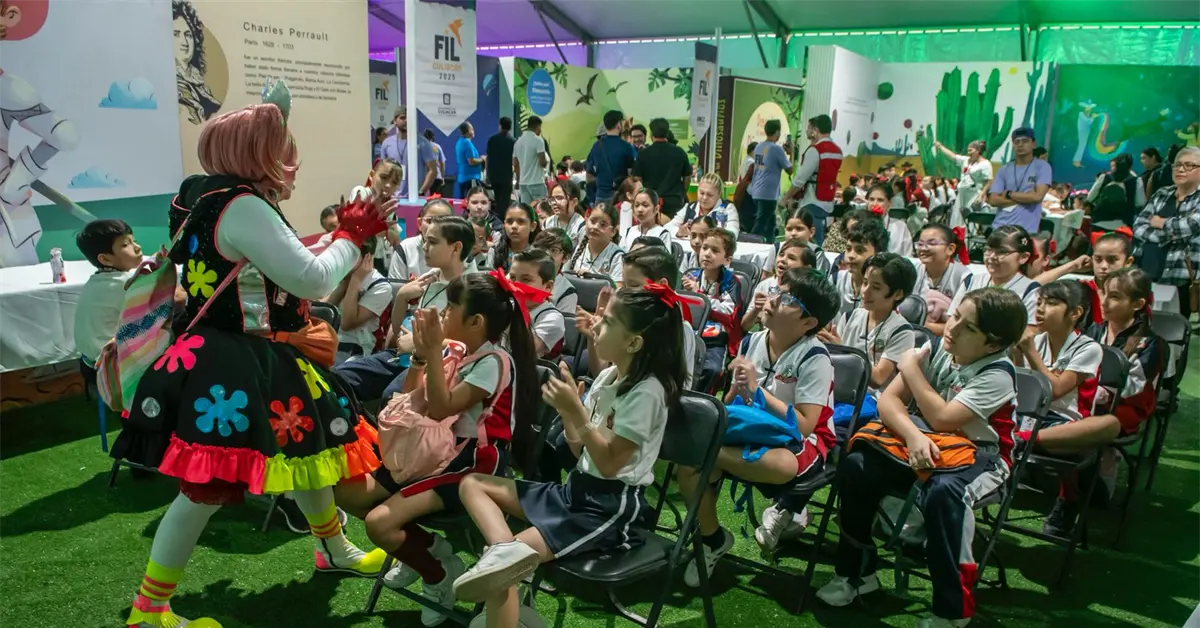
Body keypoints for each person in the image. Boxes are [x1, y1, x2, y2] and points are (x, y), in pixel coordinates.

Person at [113, 83, 391, 628]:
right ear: (261, 153)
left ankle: (332, 550)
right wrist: (351, 238)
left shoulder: (205, 198)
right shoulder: (241, 205)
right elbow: (308, 278)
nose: (292, 158)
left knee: (310, 453)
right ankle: (149, 609)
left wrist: (337, 239)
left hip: (239, 358)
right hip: (237, 366)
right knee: (204, 490)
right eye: (283, 144)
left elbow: (273, 266)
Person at [450, 286, 685, 628]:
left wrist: (577, 411)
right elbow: (578, 451)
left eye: (607, 321)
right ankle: (505, 555)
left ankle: (505, 569)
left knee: (497, 573)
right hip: (574, 492)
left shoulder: (648, 392)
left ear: (634, 343)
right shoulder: (607, 375)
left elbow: (609, 463)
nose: (594, 325)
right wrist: (571, 414)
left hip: (609, 506)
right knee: (472, 484)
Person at [336, 271, 541, 626]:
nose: (442, 315)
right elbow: (409, 396)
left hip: (468, 466)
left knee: (379, 524)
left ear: (475, 322)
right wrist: (420, 357)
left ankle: (436, 573)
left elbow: (443, 407)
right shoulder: (457, 351)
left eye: (449, 310)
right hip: (430, 451)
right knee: (347, 493)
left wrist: (432, 351)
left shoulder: (493, 362)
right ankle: (430, 553)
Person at [817, 287, 1026, 628]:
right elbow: (887, 403)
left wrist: (910, 368)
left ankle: (951, 610)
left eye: (968, 327)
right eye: (956, 315)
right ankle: (856, 574)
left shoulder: (998, 373)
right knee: (856, 465)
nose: (953, 328)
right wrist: (913, 435)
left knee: (947, 494)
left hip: (981, 458)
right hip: (924, 442)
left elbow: (944, 417)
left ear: (993, 344)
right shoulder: (942, 348)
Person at [679, 268, 841, 570]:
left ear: (809, 322)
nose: (773, 299)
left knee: (777, 465)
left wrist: (758, 391)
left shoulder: (815, 358)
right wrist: (736, 391)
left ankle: (715, 461)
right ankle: (713, 538)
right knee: (689, 464)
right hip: (753, 432)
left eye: (789, 298)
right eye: (779, 290)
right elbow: (732, 406)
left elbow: (805, 425)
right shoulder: (751, 342)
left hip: (800, 442)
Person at [1022, 268, 1161, 535]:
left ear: (1138, 304)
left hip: (1119, 408)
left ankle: (1035, 451)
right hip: (1076, 404)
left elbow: (1136, 390)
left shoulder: (1149, 342)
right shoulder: (1093, 330)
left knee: (1105, 424)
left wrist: (1095, 391)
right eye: (1104, 294)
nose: (1105, 302)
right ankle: (1073, 480)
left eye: (1115, 297)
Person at [335, 215, 475, 403]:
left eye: (432, 242)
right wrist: (401, 297)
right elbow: (396, 328)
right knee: (340, 377)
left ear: (456, 248)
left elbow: (469, 348)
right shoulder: (429, 278)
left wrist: (421, 344)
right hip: (406, 355)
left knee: (392, 398)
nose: (424, 247)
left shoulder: (474, 289)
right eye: (424, 240)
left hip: (439, 365)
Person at [577, 246, 696, 390]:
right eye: (624, 284)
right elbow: (602, 374)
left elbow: (673, 392)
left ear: (661, 285)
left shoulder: (678, 329)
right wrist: (593, 337)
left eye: (634, 285)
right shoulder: (626, 321)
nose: (624, 291)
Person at [820, 252, 917, 391]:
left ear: (898, 294)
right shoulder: (849, 317)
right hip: (841, 390)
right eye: (865, 282)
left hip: (873, 402)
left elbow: (878, 379)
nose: (865, 291)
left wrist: (845, 351)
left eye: (876, 287)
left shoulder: (902, 332)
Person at [1132, 146, 1200, 319]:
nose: (1181, 169)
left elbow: (1190, 225)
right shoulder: (1162, 194)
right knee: (1142, 326)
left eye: (1189, 165)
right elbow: (1139, 226)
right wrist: (1172, 233)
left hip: (1182, 277)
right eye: (1177, 165)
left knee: (1175, 331)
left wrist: (1160, 222)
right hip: (1149, 273)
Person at [73, 219, 150, 365]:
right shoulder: (125, 283)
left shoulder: (94, 281)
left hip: (87, 360)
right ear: (105, 259)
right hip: (110, 365)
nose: (138, 247)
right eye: (125, 244)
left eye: (134, 241)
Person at [948, 225, 1040, 330]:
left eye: (1002, 252)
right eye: (988, 250)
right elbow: (952, 318)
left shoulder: (1030, 291)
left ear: (1023, 257)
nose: (992, 257)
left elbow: (1028, 333)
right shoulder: (972, 281)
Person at [683, 228, 740, 392]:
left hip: (715, 339)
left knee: (712, 370)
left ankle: (702, 402)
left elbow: (729, 314)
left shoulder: (731, 281)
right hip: (690, 333)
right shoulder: (691, 275)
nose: (707, 254)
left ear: (728, 259)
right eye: (705, 247)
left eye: (715, 250)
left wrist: (699, 295)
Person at [779, 115, 843, 243]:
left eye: (809, 128)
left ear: (815, 130)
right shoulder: (838, 151)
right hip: (827, 201)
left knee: (811, 241)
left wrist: (786, 198)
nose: (807, 131)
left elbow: (800, 179)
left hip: (812, 201)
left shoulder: (815, 151)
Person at [328, 239, 394, 363]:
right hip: (329, 339)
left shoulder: (381, 286)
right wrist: (343, 284)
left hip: (355, 347)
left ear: (366, 257)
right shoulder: (341, 275)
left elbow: (347, 323)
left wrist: (356, 281)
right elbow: (326, 312)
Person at [986, 127, 1053, 234]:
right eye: (1017, 142)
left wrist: (1008, 193)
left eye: (1025, 141)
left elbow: (1037, 197)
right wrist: (1026, 197)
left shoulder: (1042, 167)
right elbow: (993, 200)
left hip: (1025, 231)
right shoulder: (1004, 169)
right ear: (1013, 145)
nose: (1020, 145)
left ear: (1033, 143)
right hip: (999, 227)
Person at [742, 238, 817, 331]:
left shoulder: (811, 292)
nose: (783, 260)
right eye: (781, 255)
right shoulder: (765, 285)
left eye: (791, 258)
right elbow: (744, 327)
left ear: (806, 268)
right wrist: (756, 310)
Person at [913, 223, 970, 335]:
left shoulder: (964, 277)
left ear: (950, 249)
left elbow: (963, 323)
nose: (923, 249)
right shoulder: (912, 271)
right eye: (920, 244)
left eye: (931, 243)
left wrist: (922, 325)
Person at [509, 249, 566, 358]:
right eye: (512, 278)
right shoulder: (507, 304)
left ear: (548, 287)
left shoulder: (552, 317)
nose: (516, 285)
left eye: (526, 279)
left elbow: (524, 351)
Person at [350, 160, 404, 275]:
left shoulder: (390, 207)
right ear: (371, 175)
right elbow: (358, 224)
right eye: (384, 178)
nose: (388, 185)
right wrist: (385, 231)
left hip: (379, 259)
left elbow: (395, 238)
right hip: (356, 256)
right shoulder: (361, 192)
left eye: (394, 182)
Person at [632, 117, 693, 219]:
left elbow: (637, 179)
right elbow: (687, 176)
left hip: (650, 202)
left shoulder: (643, 154)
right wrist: (682, 192)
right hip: (675, 201)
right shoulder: (679, 152)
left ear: (652, 134)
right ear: (667, 132)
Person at [929, 136, 993, 228]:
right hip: (962, 193)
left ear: (978, 151)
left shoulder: (985, 164)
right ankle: (956, 236)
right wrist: (940, 147)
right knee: (957, 216)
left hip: (974, 194)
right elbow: (952, 156)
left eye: (970, 150)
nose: (968, 152)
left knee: (970, 218)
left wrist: (982, 194)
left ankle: (968, 238)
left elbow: (989, 180)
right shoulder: (965, 160)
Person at [748, 119, 794, 240]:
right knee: (761, 224)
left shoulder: (758, 147)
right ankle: (748, 243)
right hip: (768, 193)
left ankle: (769, 246)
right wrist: (792, 153)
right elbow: (790, 169)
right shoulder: (776, 149)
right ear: (777, 132)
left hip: (756, 190)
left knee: (771, 224)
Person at [389, 198, 455, 280]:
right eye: (430, 221)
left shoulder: (458, 249)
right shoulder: (405, 248)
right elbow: (395, 288)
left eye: (444, 222)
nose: (436, 227)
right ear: (420, 224)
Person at [834, 217, 889, 315]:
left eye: (859, 250)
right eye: (848, 248)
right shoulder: (835, 279)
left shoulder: (884, 290)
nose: (850, 255)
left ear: (879, 254)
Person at [380, 107, 438, 198]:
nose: (406, 120)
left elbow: (433, 170)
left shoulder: (422, 142)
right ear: (395, 121)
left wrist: (421, 192)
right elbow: (383, 170)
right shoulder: (387, 143)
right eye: (402, 118)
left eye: (409, 117)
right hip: (392, 197)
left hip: (415, 199)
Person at [565, 204, 624, 285]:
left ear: (613, 231)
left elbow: (618, 288)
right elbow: (565, 277)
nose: (595, 227)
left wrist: (593, 280)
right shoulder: (578, 248)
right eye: (592, 221)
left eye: (602, 224)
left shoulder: (617, 256)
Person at [586, 110, 637, 205]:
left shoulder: (596, 145)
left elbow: (589, 173)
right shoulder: (626, 146)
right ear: (618, 124)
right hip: (619, 197)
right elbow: (630, 173)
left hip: (600, 196)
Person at [669, 172, 740, 238]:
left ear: (719, 194)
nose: (705, 198)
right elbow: (667, 227)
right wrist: (678, 232)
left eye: (710, 195)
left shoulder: (728, 208)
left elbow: (733, 233)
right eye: (702, 193)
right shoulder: (690, 207)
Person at [1088, 153, 1146, 226]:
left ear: (1115, 164)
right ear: (1130, 166)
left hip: (1099, 222)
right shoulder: (1136, 181)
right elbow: (1141, 203)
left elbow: (1090, 198)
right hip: (1123, 226)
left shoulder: (1105, 177)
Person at [532, 228, 577, 314]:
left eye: (554, 250)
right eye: (541, 248)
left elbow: (563, 325)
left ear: (565, 258)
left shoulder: (567, 292)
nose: (546, 254)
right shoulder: (522, 275)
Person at [780, 206, 831, 275]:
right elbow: (766, 276)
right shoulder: (777, 248)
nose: (793, 233)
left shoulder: (816, 252)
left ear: (812, 232)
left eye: (799, 229)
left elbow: (818, 281)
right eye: (789, 229)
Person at [491, 202, 540, 273]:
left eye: (521, 222)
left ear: (533, 226)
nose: (514, 226)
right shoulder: (494, 252)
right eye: (509, 222)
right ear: (504, 225)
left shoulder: (540, 256)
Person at [864, 183, 912, 255]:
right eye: (871, 199)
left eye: (880, 200)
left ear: (889, 203)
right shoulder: (859, 223)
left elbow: (908, 256)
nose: (874, 204)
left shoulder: (900, 227)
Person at [513, 116, 549, 204]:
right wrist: (546, 162)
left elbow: (515, 164)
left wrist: (518, 181)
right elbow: (542, 162)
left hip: (523, 183)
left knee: (527, 210)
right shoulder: (538, 140)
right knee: (541, 208)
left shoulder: (518, 142)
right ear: (537, 126)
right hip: (536, 182)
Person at [487, 117, 516, 219]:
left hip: (494, 175)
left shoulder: (492, 140)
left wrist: (487, 175)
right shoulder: (513, 141)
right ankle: (502, 220)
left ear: (500, 125)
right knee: (505, 201)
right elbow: (514, 161)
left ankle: (496, 219)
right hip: (507, 176)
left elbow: (488, 159)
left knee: (496, 199)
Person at [542, 179, 586, 243]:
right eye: (552, 199)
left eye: (559, 198)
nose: (554, 202)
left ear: (574, 201)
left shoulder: (581, 226)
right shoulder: (548, 223)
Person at [455, 122, 485, 199]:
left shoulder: (460, 142)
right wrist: (482, 159)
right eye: (472, 129)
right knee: (471, 201)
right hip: (470, 178)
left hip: (464, 177)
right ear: (468, 131)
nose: (474, 131)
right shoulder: (466, 143)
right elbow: (471, 162)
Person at [424, 129, 446, 195]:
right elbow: (442, 163)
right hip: (436, 176)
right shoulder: (437, 147)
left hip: (424, 177)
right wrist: (442, 177)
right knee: (434, 197)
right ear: (433, 137)